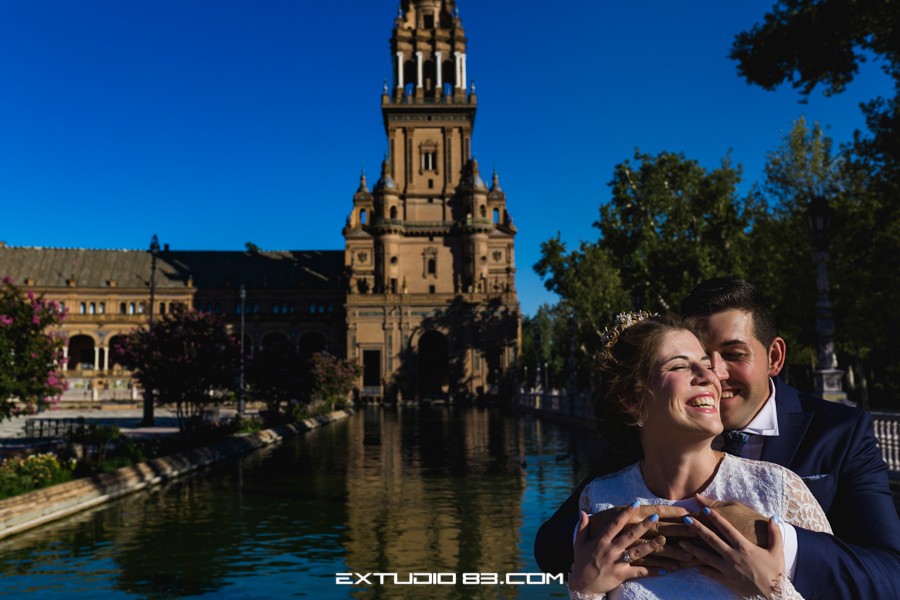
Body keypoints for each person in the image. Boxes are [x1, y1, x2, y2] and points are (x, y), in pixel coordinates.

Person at [537, 278, 900, 599]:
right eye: (693, 359)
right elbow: (553, 542)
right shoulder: (643, 445)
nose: (715, 373)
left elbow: (891, 576)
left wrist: (775, 542)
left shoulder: (839, 432)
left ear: (774, 357)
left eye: (733, 354)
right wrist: (618, 536)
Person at [567, 311, 830, 599]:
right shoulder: (600, 497)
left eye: (705, 365)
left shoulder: (778, 489)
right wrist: (585, 589)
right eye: (680, 366)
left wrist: (771, 591)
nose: (710, 376)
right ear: (632, 400)